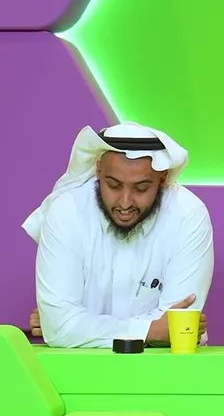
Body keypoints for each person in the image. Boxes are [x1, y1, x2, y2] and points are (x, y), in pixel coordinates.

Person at [24, 123, 213, 348]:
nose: (125, 202)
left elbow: (180, 328)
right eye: (113, 185)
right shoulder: (67, 211)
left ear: (161, 180)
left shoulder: (188, 215)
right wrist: (150, 331)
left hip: (165, 368)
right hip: (79, 367)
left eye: (141, 188)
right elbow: (60, 326)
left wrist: (77, 327)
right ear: (98, 171)